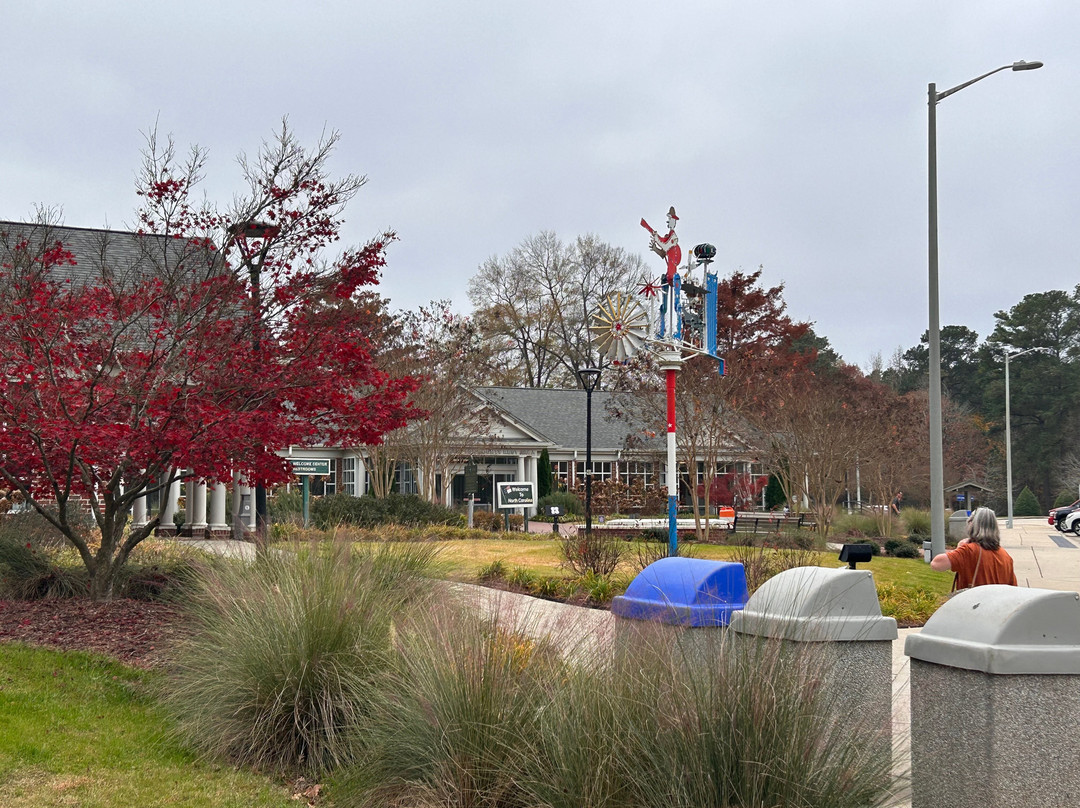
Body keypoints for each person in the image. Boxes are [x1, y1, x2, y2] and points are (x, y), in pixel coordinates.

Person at [930, 507, 1018, 588]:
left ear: (972, 525)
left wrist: (958, 548)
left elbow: (936, 564)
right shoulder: (1006, 556)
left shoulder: (969, 551)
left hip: (974, 604)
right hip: (998, 604)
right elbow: (1013, 589)